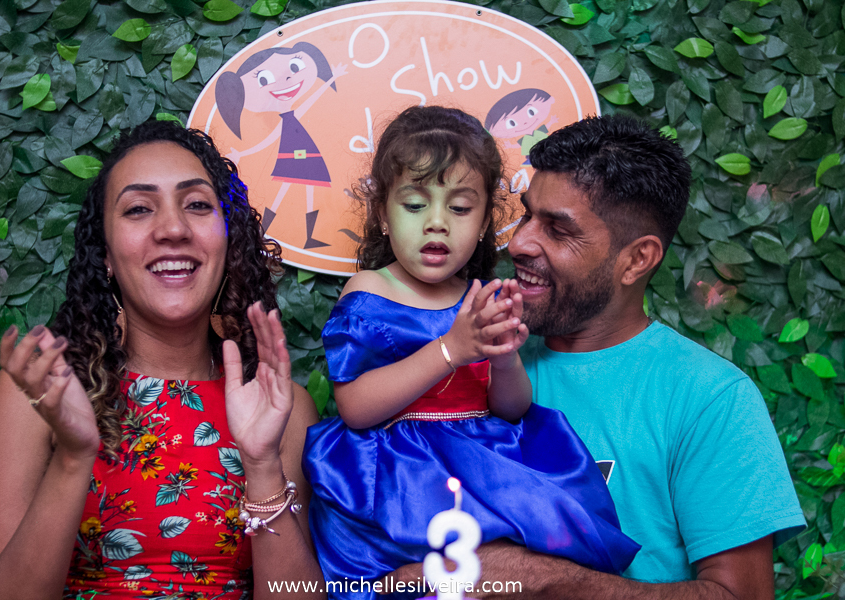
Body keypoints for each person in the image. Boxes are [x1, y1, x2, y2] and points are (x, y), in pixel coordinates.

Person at [386, 114, 805, 597]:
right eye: (527, 216)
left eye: (558, 230)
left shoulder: (710, 398)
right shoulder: (462, 360)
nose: (519, 242)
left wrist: (548, 581)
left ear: (637, 259)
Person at [303, 106, 640, 600]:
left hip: (482, 468)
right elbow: (354, 408)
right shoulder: (371, 290)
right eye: (415, 205)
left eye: (460, 209)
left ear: (485, 222)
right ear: (382, 213)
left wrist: (502, 360)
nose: (437, 224)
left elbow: (512, 409)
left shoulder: (483, 297)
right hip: (400, 475)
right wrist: (450, 349)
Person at [0, 121, 324, 599]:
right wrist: (75, 458)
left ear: (229, 243)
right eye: (139, 209)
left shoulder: (281, 406)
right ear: (105, 256)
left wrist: (263, 465)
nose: (174, 229)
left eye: (198, 205)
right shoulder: (40, 396)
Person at [217, 42, 348, 248]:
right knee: (281, 194)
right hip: (292, 156)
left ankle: (309, 237)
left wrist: (332, 78)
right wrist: (242, 153)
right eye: (263, 80)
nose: (285, 79)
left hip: (306, 155)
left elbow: (311, 100)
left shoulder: (293, 115)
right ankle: (261, 233)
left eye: (294, 67)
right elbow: (267, 141)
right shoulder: (284, 122)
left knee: (310, 194)